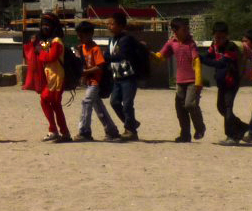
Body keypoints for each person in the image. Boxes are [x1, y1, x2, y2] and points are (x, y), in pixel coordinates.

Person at [153, 17, 205, 142]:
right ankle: (185, 134)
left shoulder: (191, 43)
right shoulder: (171, 43)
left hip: (192, 80)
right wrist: (151, 55)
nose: (187, 31)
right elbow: (161, 56)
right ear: (175, 30)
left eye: (187, 28)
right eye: (184, 29)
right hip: (180, 81)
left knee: (190, 104)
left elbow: (196, 61)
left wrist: (198, 81)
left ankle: (200, 127)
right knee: (180, 109)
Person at [23, 14, 70, 142]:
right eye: (43, 24)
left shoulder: (57, 42)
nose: (45, 27)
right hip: (51, 78)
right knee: (54, 105)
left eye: (48, 25)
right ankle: (60, 131)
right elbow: (43, 49)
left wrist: (40, 51)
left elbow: (50, 57)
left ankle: (57, 130)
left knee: (46, 101)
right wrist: (37, 45)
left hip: (57, 78)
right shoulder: (49, 41)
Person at [199, 22, 247, 143]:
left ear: (227, 36)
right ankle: (241, 126)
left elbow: (221, 63)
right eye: (216, 37)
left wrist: (202, 59)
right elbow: (209, 56)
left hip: (231, 82)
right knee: (221, 107)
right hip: (222, 82)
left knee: (227, 107)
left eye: (221, 37)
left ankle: (231, 136)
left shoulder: (231, 47)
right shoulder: (214, 45)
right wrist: (200, 57)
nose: (219, 40)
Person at [73, 21, 118, 141]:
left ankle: (84, 131)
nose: (80, 38)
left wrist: (86, 72)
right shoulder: (82, 48)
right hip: (89, 82)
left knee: (86, 102)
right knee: (99, 107)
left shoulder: (95, 49)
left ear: (90, 34)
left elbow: (100, 66)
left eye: (82, 35)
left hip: (95, 82)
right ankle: (111, 130)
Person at [104, 11, 144, 140]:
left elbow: (122, 55)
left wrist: (108, 57)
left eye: (112, 24)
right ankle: (131, 123)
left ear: (121, 25)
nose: (109, 26)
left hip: (128, 77)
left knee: (127, 104)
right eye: (108, 24)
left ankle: (131, 130)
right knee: (114, 102)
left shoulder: (126, 39)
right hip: (117, 77)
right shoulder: (111, 40)